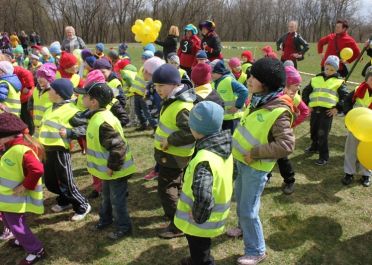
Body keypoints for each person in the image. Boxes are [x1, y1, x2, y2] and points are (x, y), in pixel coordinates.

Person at [232, 57, 295, 265]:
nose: (248, 79)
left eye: (254, 77)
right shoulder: (260, 99)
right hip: (243, 162)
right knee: (240, 200)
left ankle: (256, 250)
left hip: (255, 167)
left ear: (266, 83)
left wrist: (256, 152)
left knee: (249, 209)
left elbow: (286, 145)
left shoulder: (278, 111)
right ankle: (243, 229)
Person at [74, 82, 136, 240]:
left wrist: (112, 167)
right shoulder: (96, 116)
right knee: (107, 197)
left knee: (117, 201)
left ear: (93, 101)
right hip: (108, 171)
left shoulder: (103, 122)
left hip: (115, 170)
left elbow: (118, 147)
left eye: (85, 95)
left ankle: (124, 226)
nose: (82, 97)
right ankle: (105, 219)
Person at [175, 101, 233, 265]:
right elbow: (232, 172)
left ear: (196, 128)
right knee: (202, 245)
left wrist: (198, 215)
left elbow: (203, 194)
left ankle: (201, 261)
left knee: (198, 246)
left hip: (200, 219)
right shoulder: (223, 146)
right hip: (213, 213)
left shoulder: (204, 159)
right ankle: (198, 259)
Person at [152, 64, 196, 239]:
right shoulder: (173, 100)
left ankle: (177, 224)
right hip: (169, 154)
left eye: (161, 86)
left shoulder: (182, 106)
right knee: (175, 185)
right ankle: (178, 212)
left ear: (174, 84)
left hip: (174, 155)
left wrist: (170, 140)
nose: (157, 90)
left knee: (166, 187)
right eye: (155, 86)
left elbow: (190, 132)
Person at [38, 78, 91, 221]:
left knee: (66, 181)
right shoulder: (50, 107)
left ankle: (82, 205)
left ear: (59, 93)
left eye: (52, 90)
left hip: (60, 151)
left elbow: (87, 126)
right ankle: (65, 200)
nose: (49, 91)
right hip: (46, 150)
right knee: (50, 182)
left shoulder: (72, 111)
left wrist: (69, 133)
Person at [0, 112, 45, 265]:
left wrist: (25, 185)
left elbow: (37, 169)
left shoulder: (20, 149)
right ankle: (21, 240)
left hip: (13, 198)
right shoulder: (10, 146)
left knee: (17, 225)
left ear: (8, 136)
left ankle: (36, 250)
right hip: (6, 198)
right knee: (9, 222)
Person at [267, 66, 310, 195]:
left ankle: (289, 180)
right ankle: (266, 177)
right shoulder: (272, 93)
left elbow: (305, 111)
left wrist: (291, 125)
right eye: (295, 85)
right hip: (268, 130)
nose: (298, 88)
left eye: (298, 85)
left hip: (281, 134)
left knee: (282, 158)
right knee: (266, 154)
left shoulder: (295, 97)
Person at [302, 55, 348, 166]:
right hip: (314, 110)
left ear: (336, 69)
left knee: (323, 134)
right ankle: (314, 146)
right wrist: (308, 104)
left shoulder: (339, 82)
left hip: (327, 112)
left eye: (332, 69)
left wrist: (337, 108)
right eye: (327, 68)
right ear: (324, 66)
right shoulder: (315, 79)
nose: (328, 71)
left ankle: (324, 156)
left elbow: (345, 97)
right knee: (313, 129)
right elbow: (305, 92)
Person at [342, 66, 372, 187]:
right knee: (351, 149)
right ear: (366, 79)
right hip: (355, 127)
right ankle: (349, 173)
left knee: (368, 152)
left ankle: (366, 174)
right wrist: (349, 115)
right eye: (371, 78)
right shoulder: (357, 89)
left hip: (370, 129)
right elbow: (347, 102)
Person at [211, 60, 248, 133]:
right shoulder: (214, 83)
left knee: (234, 141)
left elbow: (244, 91)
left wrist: (237, 106)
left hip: (233, 118)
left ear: (219, 73)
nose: (211, 75)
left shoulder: (229, 80)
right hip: (223, 118)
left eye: (213, 73)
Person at [130, 51, 158, 131]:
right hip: (136, 93)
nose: (142, 60)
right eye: (142, 58)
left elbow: (148, 82)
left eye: (144, 58)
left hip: (143, 94)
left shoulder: (150, 69)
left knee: (147, 112)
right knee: (138, 111)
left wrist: (146, 93)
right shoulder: (142, 67)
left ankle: (155, 127)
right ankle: (143, 124)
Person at [30, 63, 56, 137]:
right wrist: (30, 107)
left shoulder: (54, 90)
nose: (39, 79)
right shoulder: (36, 89)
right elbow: (32, 100)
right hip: (37, 126)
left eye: (42, 76)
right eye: (38, 76)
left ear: (50, 78)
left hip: (49, 128)